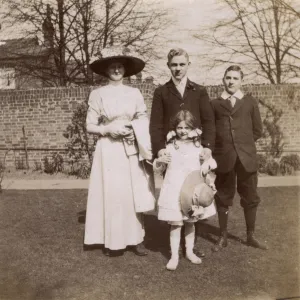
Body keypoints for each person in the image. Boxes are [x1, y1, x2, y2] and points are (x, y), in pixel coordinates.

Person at [84, 45, 154, 256]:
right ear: (106, 70)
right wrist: (107, 129)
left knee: (132, 191)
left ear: (125, 70)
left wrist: (135, 131)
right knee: (112, 191)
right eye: (112, 66)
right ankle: (111, 241)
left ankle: (135, 238)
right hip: (108, 149)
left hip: (130, 147)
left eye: (120, 66)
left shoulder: (134, 93)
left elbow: (142, 117)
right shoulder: (98, 94)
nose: (116, 70)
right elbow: (89, 125)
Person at [150, 48, 216, 257]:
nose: (178, 69)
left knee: (193, 195)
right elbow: (156, 125)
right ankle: (174, 251)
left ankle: (189, 248)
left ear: (188, 65)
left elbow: (209, 122)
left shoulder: (199, 90)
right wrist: (160, 149)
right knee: (175, 192)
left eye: (181, 64)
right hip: (174, 152)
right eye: (174, 65)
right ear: (168, 66)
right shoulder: (161, 92)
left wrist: (207, 147)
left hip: (194, 152)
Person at [210, 65, 268, 252]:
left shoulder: (249, 102)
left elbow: (257, 130)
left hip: (246, 158)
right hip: (224, 158)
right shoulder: (215, 104)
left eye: (235, 78)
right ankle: (223, 235)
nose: (231, 81)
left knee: (250, 196)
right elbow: (212, 132)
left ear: (241, 81)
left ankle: (250, 235)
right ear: (223, 80)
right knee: (223, 196)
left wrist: (243, 146)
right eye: (228, 78)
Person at [153, 110, 217, 271]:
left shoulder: (198, 147)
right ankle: (174, 256)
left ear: (193, 128)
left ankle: (189, 251)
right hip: (174, 187)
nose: (183, 131)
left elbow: (207, 167)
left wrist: (207, 162)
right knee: (176, 224)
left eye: (187, 128)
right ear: (175, 128)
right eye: (180, 127)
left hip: (191, 190)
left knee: (190, 222)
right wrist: (160, 161)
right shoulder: (169, 146)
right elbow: (159, 169)